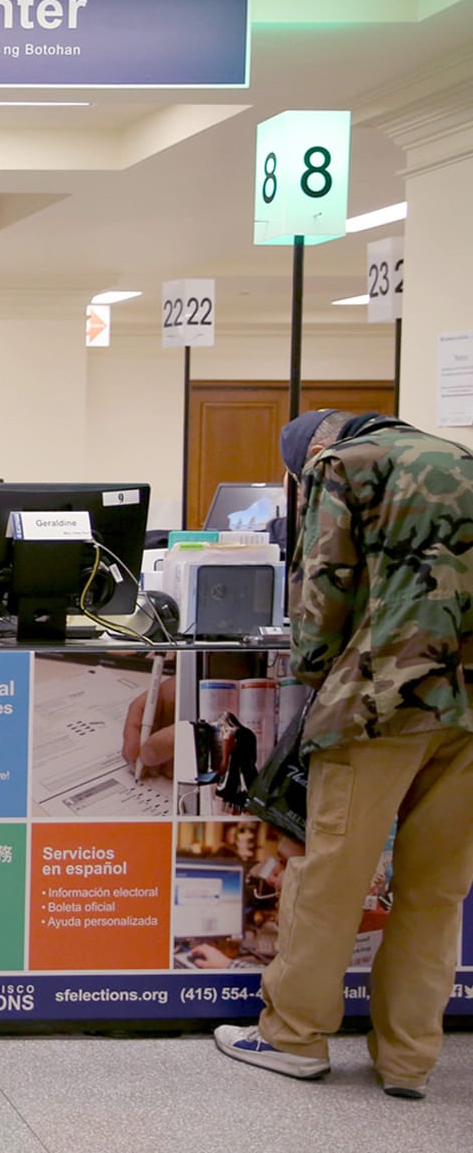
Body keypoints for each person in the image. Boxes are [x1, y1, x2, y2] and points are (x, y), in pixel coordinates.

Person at [214, 409, 473, 1101]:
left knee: (333, 872)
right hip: (470, 709)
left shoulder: (344, 466)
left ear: (316, 451)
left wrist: (314, 678)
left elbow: (322, 592)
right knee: (436, 889)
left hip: (381, 701)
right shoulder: (462, 458)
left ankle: (292, 1037)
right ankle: (409, 1059)